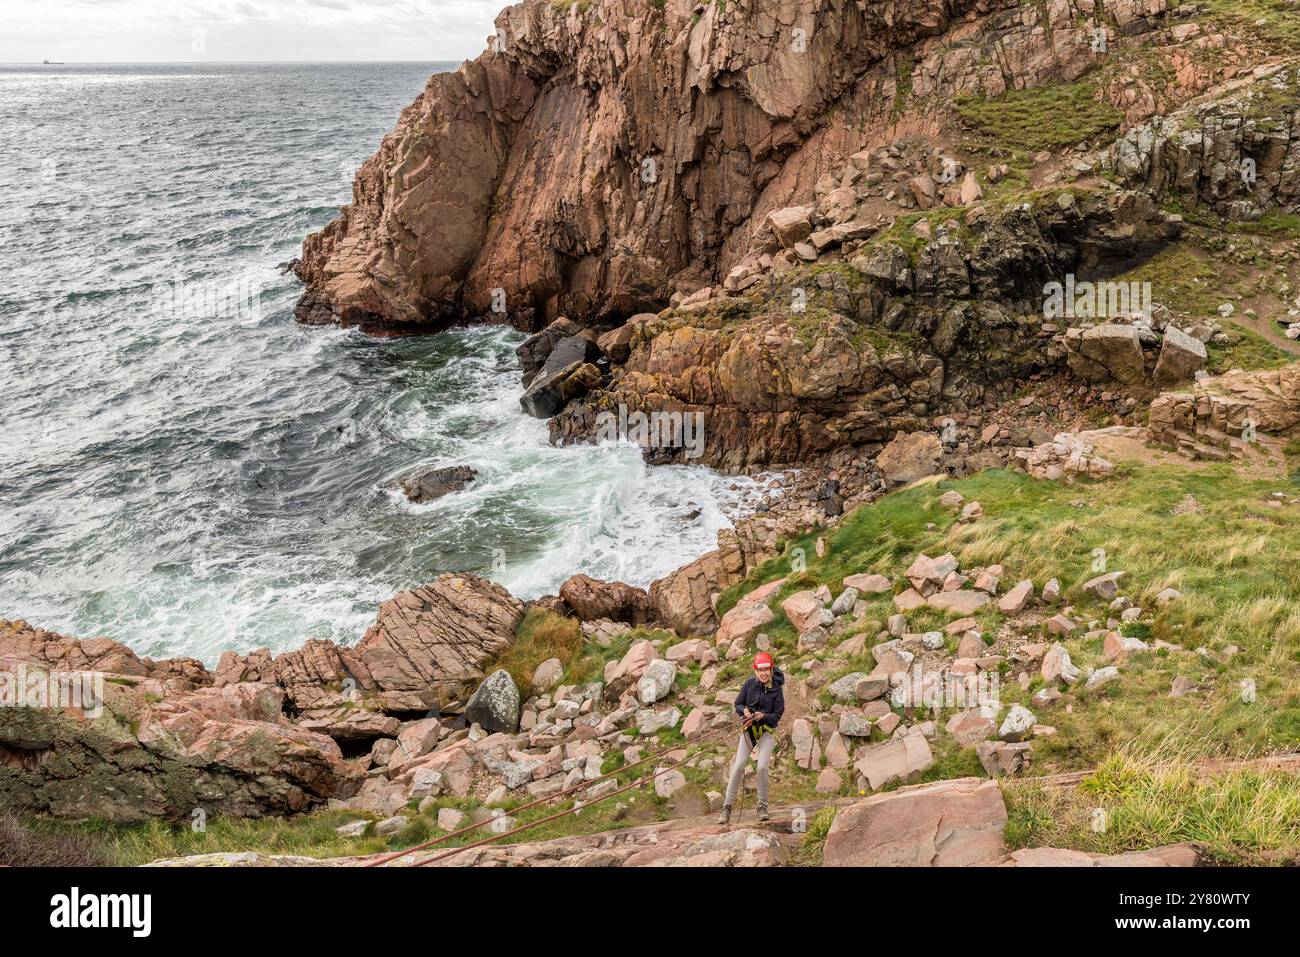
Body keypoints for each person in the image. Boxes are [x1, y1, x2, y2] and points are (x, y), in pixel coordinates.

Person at [718, 651, 784, 824]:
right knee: (739, 765)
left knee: (762, 767)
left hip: (767, 731)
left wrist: (764, 717)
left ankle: (762, 807)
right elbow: (738, 704)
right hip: (748, 730)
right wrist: (744, 712)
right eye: (760, 670)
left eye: (766, 670)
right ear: (756, 671)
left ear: (770, 670)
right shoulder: (749, 684)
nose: (763, 673)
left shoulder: (777, 689)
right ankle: (726, 808)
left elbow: (777, 714)